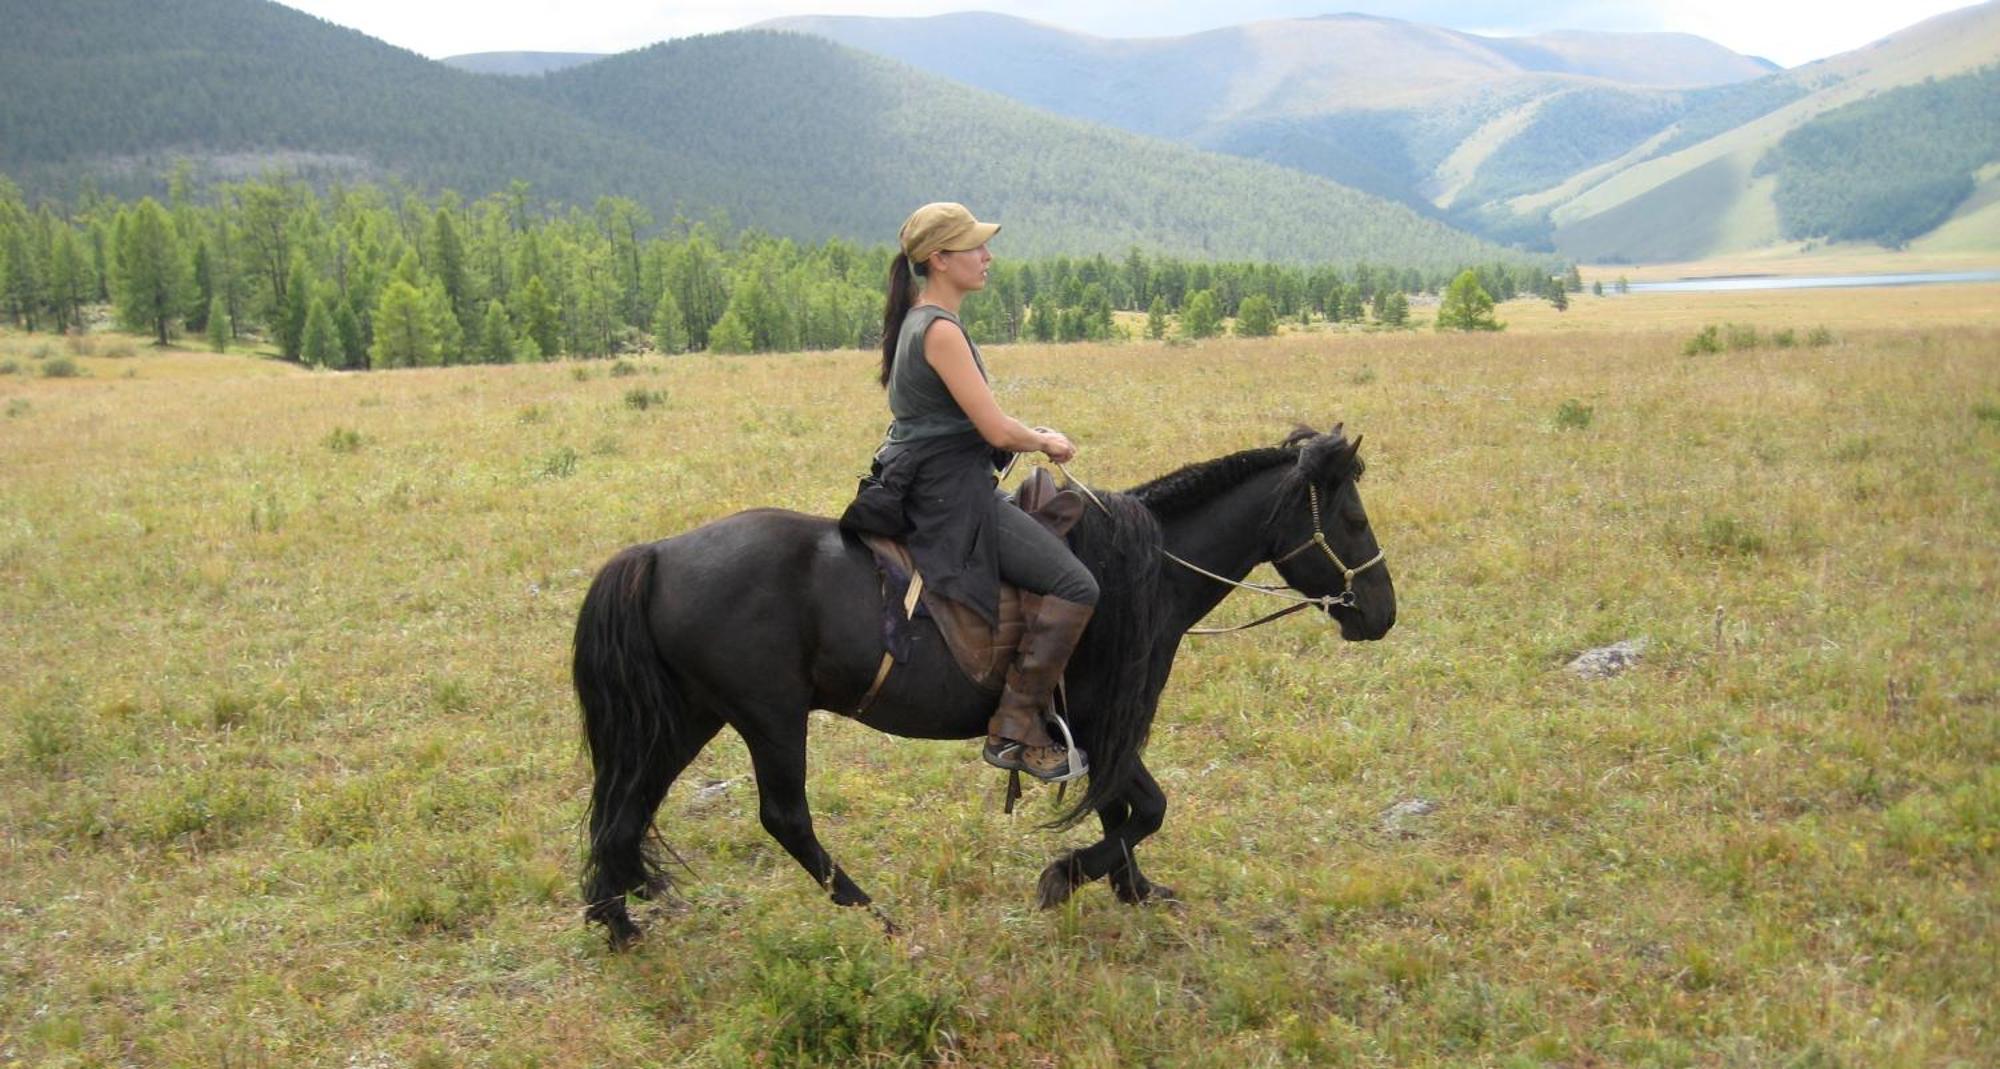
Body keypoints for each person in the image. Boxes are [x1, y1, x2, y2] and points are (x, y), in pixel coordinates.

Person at [842, 202, 1098, 782]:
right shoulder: (940, 331)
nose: (988, 256)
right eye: (974, 247)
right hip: (949, 495)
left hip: (932, 482)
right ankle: (1015, 728)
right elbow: (995, 430)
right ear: (939, 259)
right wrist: (1046, 441)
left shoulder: (918, 320)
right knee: (1075, 583)